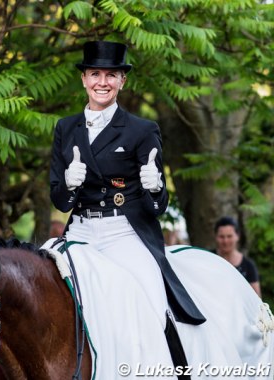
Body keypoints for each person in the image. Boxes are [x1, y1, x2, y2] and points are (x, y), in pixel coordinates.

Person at [47, 40, 206, 377]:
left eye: (111, 75)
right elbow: (59, 201)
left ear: (122, 81)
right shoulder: (65, 128)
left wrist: (155, 186)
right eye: (95, 74)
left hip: (124, 231)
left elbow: (157, 206)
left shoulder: (142, 130)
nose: (102, 82)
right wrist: (70, 184)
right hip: (81, 231)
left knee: (151, 302)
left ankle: (171, 369)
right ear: (84, 80)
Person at [214, 216, 261, 297]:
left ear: (237, 236)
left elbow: (257, 300)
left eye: (229, 236)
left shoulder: (248, 266)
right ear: (216, 237)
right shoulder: (208, 259)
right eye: (222, 237)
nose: (225, 241)